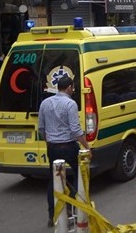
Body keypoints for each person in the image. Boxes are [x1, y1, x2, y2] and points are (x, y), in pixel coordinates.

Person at [38, 76, 91, 227]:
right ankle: (70, 204)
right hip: (69, 146)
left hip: (53, 147)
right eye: (73, 88)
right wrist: (87, 147)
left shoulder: (45, 103)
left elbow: (41, 128)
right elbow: (75, 130)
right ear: (68, 87)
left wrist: (50, 142)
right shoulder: (70, 103)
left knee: (53, 179)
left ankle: (52, 214)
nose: (73, 90)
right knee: (79, 174)